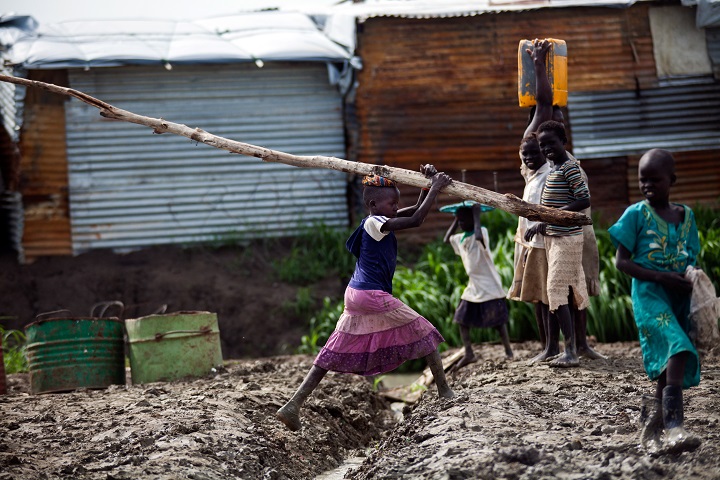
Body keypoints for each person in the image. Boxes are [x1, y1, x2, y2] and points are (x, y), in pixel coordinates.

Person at [276, 166, 455, 432]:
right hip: (370, 295)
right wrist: (436, 187)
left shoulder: (379, 221)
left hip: (356, 294)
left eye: (397, 203)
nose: (396, 207)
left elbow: (417, 211)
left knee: (332, 350)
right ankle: (444, 392)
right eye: (392, 203)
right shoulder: (374, 222)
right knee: (423, 330)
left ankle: (293, 405)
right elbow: (417, 218)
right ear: (373, 204)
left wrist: (428, 184)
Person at [608, 149, 701, 453]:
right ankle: (675, 427)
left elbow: (691, 257)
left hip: (679, 297)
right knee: (678, 347)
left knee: (666, 366)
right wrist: (661, 277)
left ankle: (652, 429)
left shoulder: (686, 216)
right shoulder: (635, 214)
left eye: (655, 179)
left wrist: (693, 277)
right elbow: (621, 262)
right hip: (649, 294)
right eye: (642, 180)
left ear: (671, 180)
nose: (647, 185)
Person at [518, 38, 603, 362]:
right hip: (542, 234)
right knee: (547, 293)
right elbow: (542, 103)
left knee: (571, 290)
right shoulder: (535, 155)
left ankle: (576, 346)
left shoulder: (565, 164)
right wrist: (538, 64)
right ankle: (554, 347)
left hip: (567, 233)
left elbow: (582, 199)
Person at [525, 120, 590, 367]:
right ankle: (558, 349)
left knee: (555, 290)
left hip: (568, 239)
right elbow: (553, 208)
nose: (546, 148)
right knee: (556, 293)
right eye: (543, 145)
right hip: (554, 237)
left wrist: (551, 217)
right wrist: (543, 223)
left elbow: (583, 199)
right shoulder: (553, 168)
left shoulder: (569, 168)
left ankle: (571, 351)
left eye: (551, 143)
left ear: (563, 142)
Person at [441, 201, 513, 369]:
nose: (461, 224)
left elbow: (479, 235)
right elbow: (446, 239)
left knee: (498, 322)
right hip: (474, 285)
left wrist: (477, 215)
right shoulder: (461, 238)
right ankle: (469, 353)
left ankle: (508, 350)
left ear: (474, 220)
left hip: (489, 284)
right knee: (461, 318)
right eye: (460, 221)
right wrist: (456, 218)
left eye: (465, 221)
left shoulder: (482, 233)